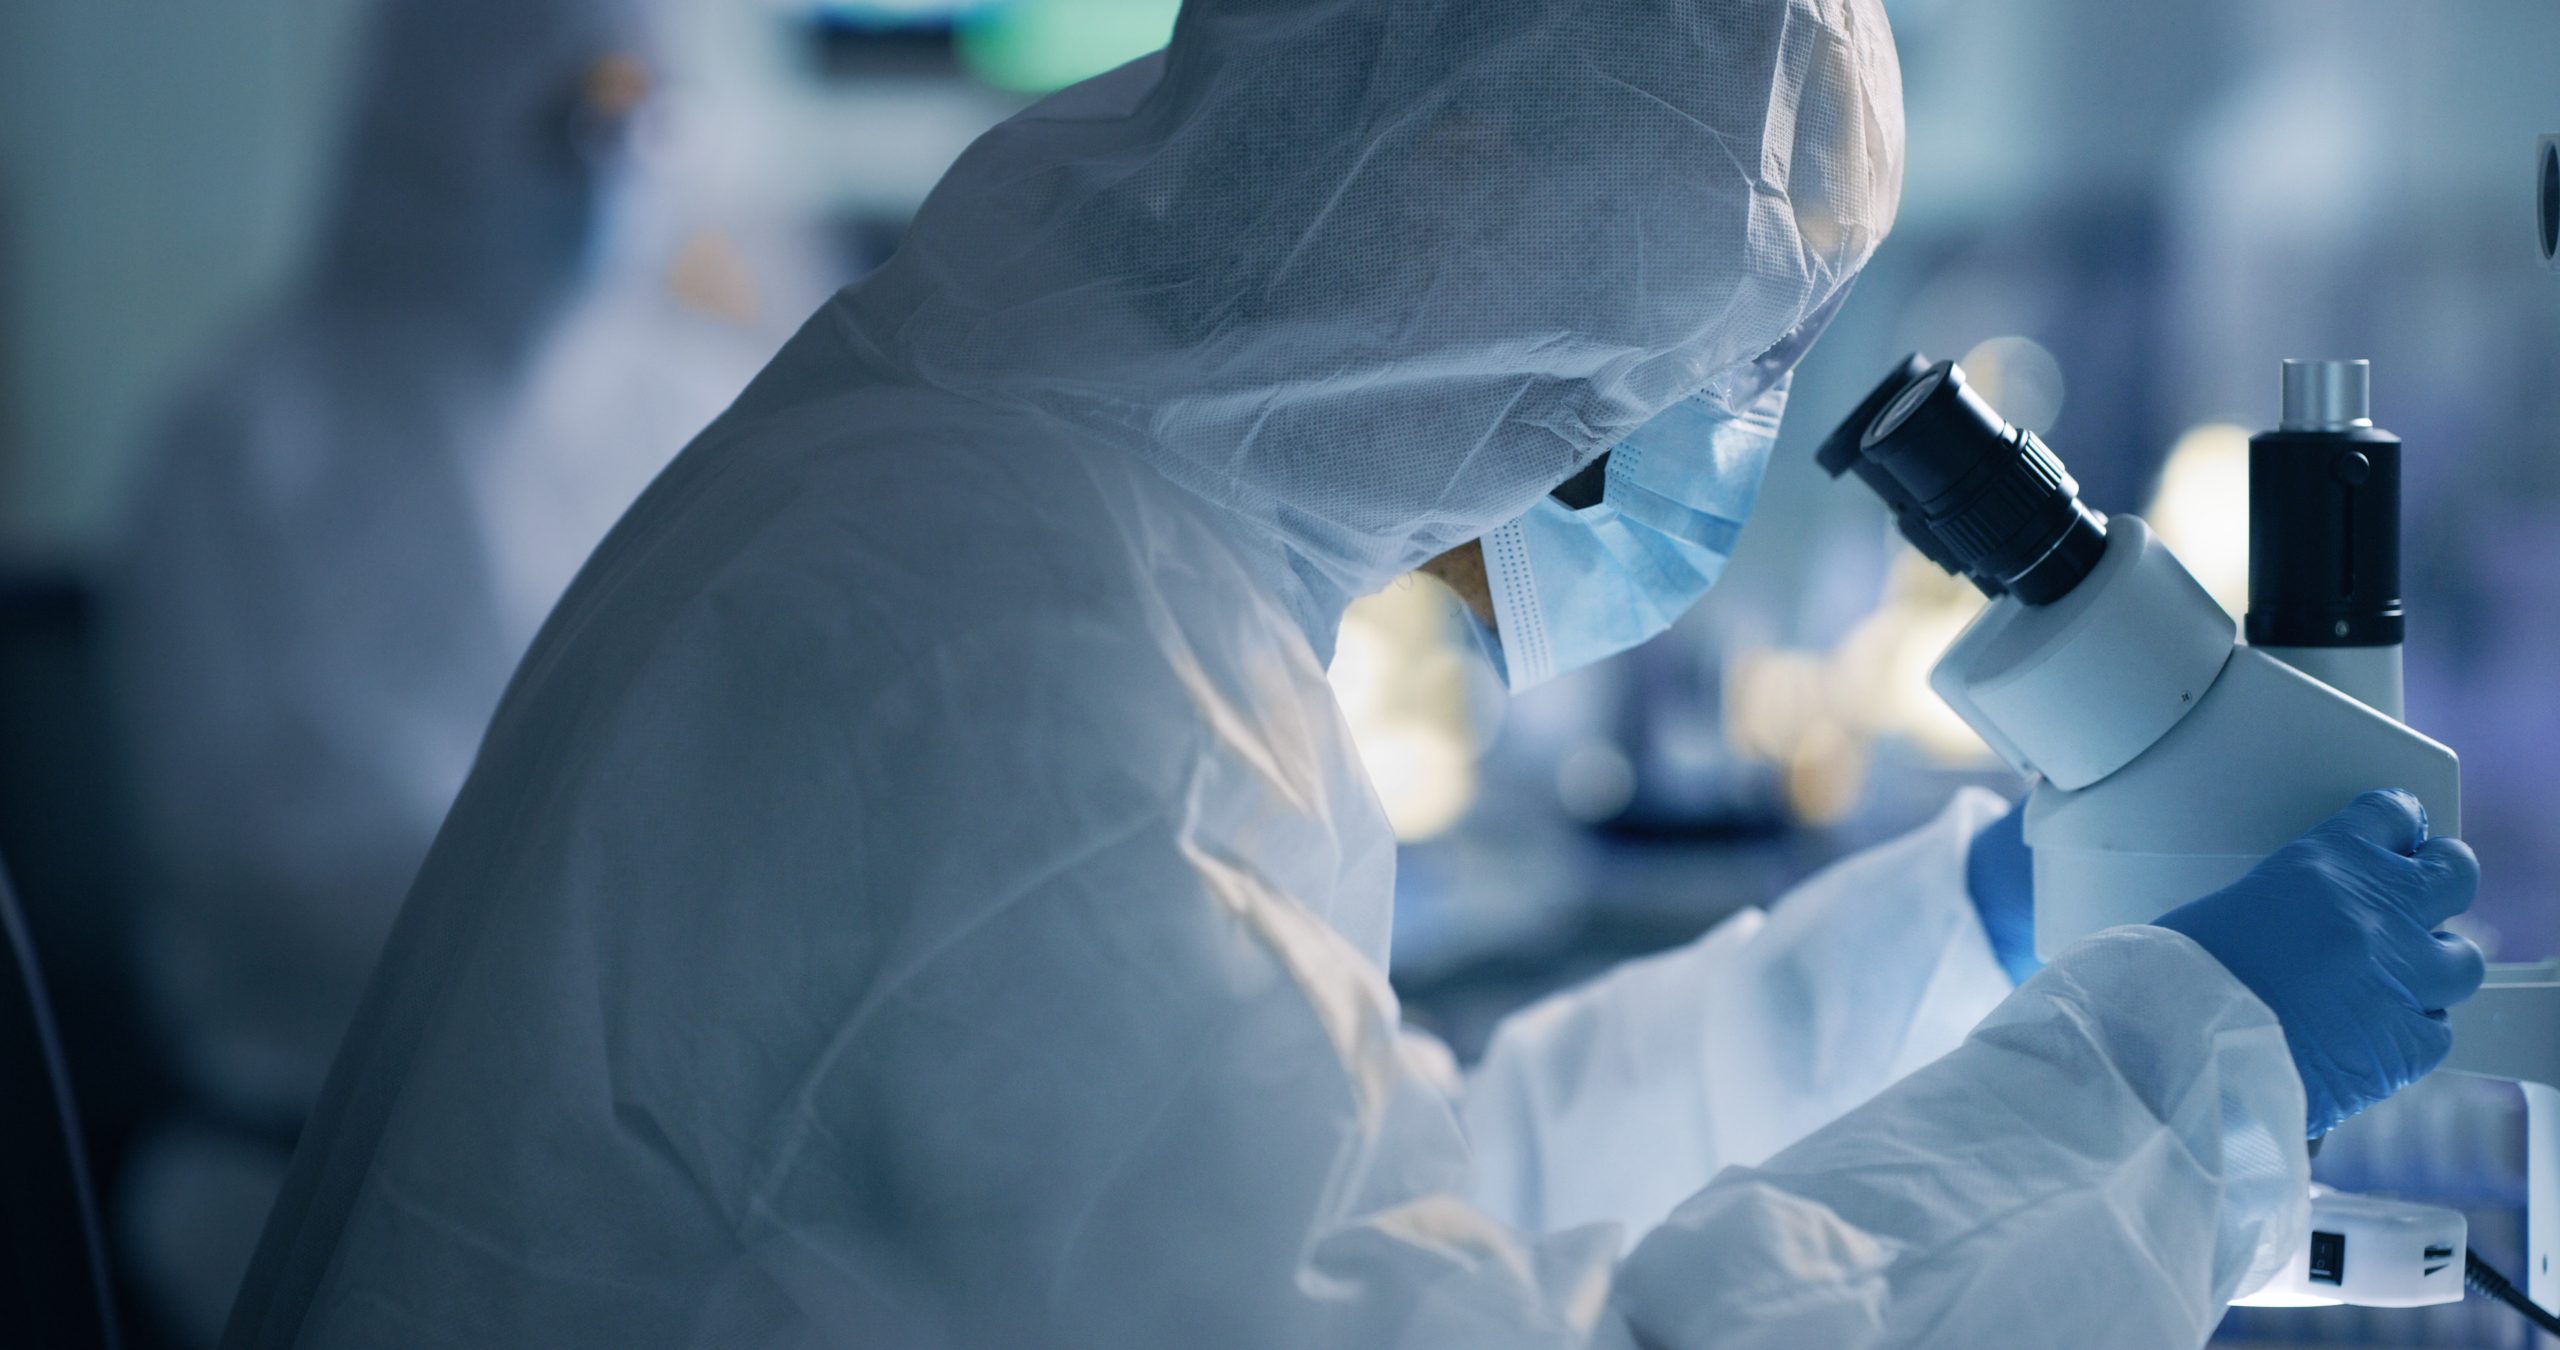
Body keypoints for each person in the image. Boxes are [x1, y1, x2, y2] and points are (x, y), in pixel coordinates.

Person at [225, 0, 2481, 1345]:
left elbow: (1383, 1207)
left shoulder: (1032, 520)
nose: (1714, 425)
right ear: (1468, 197)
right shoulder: (1028, 670)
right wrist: (2167, 1075)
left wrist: (1938, 947)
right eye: (1723, 339)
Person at [105, 0, 833, 1340]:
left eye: (641, 116)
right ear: (444, 111)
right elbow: (277, 866)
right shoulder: (250, 441)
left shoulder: (718, 415)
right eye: (570, 116)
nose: (611, 165)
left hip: (674, 1226)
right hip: (313, 1196)